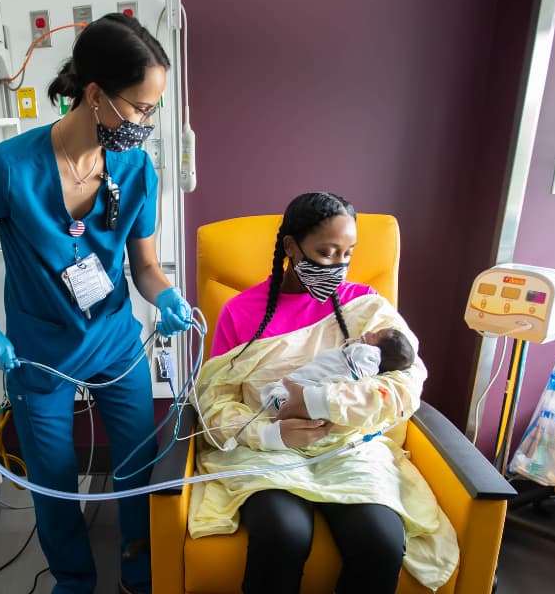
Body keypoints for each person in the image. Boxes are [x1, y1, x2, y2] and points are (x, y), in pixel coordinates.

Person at [0, 13, 191, 594]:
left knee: (135, 463)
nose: (148, 124)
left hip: (115, 340)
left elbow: (144, 268)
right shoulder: (8, 167)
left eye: (154, 110)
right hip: (39, 349)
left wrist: (167, 297)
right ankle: (73, 578)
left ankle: (138, 565)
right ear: (95, 94)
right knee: (52, 477)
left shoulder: (134, 165)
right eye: (141, 108)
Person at [189, 192, 458, 594]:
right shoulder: (241, 312)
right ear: (291, 247)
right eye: (327, 252)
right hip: (267, 449)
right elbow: (214, 400)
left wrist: (320, 402)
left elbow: (405, 385)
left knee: (379, 544)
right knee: (284, 536)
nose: (339, 265)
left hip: (347, 446)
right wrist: (271, 435)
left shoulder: (367, 307)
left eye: (348, 253)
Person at [258, 328, 415, 454]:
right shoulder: (365, 355)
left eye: (376, 335)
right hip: (313, 404)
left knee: (290, 392)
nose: (369, 332)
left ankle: (287, 404)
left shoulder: (369, 353)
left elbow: (353, 376)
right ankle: (287, 406)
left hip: (313, 391)